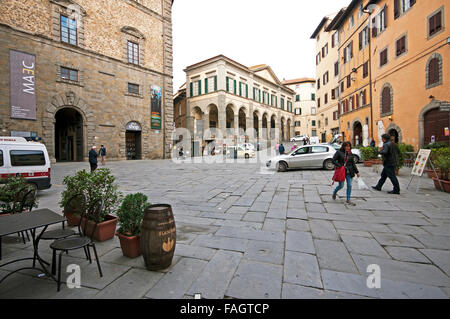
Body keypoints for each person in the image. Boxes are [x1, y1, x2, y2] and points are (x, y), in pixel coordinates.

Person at [332, 141, 361, 206]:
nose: (348, 148)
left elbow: (353, 163)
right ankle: (334, 192)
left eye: (349, 146)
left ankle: (348, 199)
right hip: (342, 171)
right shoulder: (339, 152)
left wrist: (357, 172)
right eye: (346, 146)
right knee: (341, 186)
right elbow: (333, 160)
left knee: (349, 185)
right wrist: (339, 165)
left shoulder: (350, 153)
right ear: (344, 146)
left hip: (349, 172)